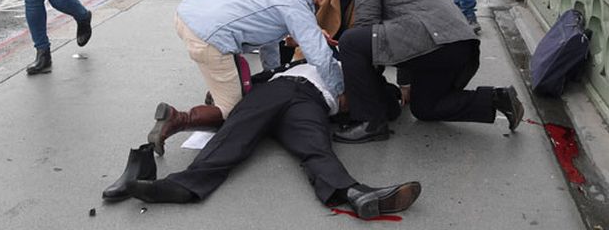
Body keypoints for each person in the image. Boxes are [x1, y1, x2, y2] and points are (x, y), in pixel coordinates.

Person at [114, 63, 421, 220]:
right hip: (283, 89)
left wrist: (395, 95)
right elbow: (251, 82)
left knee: (315, 148)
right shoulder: (312, 60)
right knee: (235, 133)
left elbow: (388, 104)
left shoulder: (362, 75)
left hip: (310, 103)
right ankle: (182, 186)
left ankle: (354, 192)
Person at [148, 0, 343, 155]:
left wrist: (272, 75)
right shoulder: (295, 3)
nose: (320, 2)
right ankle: (176, 119)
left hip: (189, 14)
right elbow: (320, 55)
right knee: (234, 112)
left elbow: (268, 39)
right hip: (210, 36)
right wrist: (339, 91)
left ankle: (217, 92)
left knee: (230, 75)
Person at [332, 0, 524, 144]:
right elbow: (401, 34)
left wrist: (363, 87)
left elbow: (367, 27)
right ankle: (497, 99)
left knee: (350, 41)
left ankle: (369, 123)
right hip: (458, 46)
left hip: (435, 41)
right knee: (425, 108)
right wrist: (405, 83)